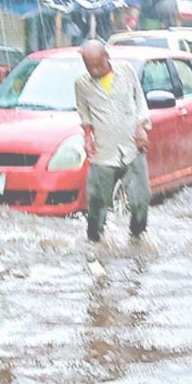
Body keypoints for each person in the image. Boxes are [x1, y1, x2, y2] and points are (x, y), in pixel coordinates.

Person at [74, 40, 153, 243]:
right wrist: (88, 137)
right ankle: (94, 241)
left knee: (141, 199)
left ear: (107, 57)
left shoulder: (126, 71)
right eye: (89, 66)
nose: (94, 70)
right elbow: (85, 115)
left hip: (132, 148)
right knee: (97, 205)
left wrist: (141, 126)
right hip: (103, 152)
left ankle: (137, 238)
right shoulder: (82, 84)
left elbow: (140, 101)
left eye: (98, 65)